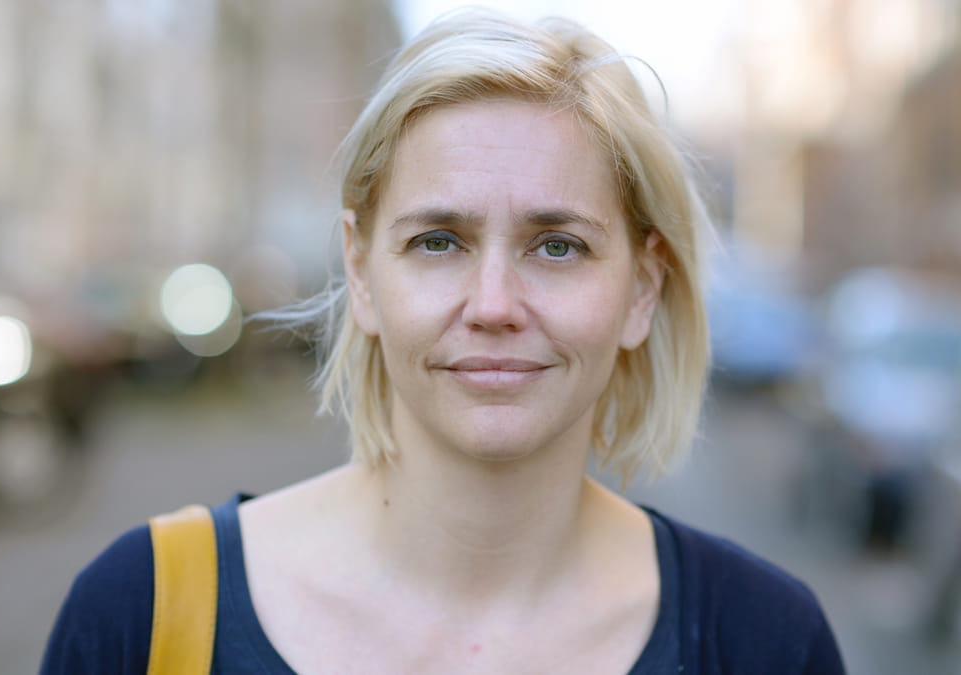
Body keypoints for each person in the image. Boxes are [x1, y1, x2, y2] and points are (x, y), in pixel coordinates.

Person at [41, 8, 845, 674]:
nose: (494, 305)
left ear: (643, 288)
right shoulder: (144, 613)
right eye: (437, 241)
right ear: (361, 272)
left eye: (556, 246)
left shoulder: (766, 641)